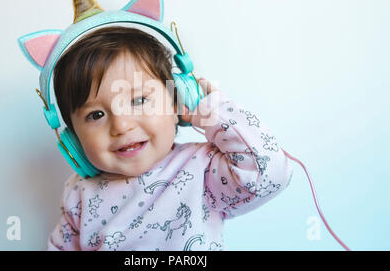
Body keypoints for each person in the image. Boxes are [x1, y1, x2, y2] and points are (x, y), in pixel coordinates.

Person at [46, 25, 293, 251]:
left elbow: (269, 173)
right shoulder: (78, 193)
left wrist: (212, 112)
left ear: (178, 101)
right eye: (96, 114)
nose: (121, 126)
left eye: (139, 100)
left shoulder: (201, 168)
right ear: (73, 139)